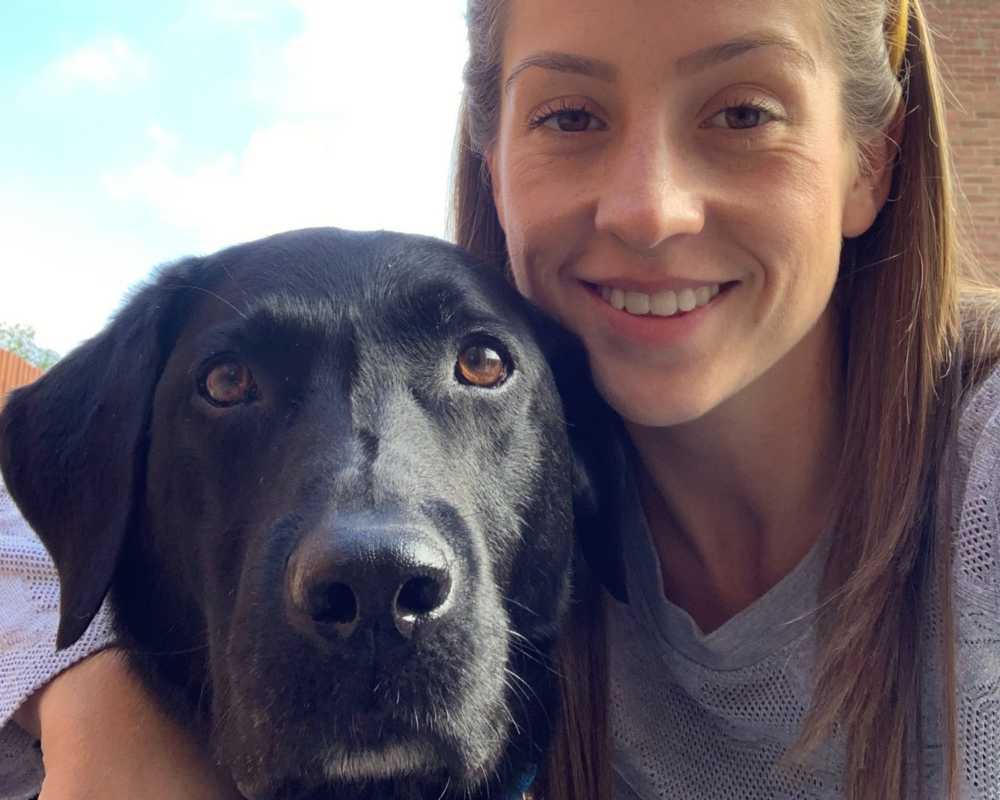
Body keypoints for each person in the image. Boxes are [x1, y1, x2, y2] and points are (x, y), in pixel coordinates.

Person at [2, 0, 998, 797]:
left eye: (742, 111)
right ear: (496, 163)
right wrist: (90, 695)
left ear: (871, 159)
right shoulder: (569, 416)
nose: (649, 208)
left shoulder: (977, 466)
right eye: (570, 115)